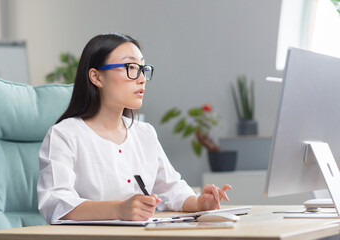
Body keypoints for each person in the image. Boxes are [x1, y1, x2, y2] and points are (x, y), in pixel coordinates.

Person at [37, 33, 232, 224]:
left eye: (142, 68)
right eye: (131, 67)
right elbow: (55, 203)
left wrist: (199, 203)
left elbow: (172, 189)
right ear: (96, 77)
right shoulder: (65, 135)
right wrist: (119, 209)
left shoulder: (144, 133)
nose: (142, 79)